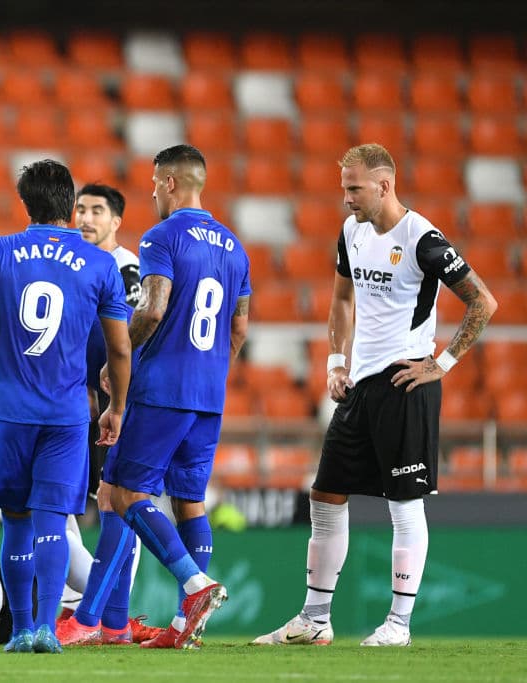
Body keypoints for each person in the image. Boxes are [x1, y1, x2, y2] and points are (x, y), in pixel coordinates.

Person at [253, 143, 497, 648]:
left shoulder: (422, 239)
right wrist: (336, 361)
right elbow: (342, 298)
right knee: (325, 496)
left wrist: (441, 363)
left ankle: (398, 626)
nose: (346, 198)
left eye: (354, 188)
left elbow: (483, 301)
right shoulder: (352, 232)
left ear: (385, 185)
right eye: (344, 187)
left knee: (404, 506)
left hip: (406, 384)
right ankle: (315, 619)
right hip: (359, 386)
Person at [0, 159, 132, 654]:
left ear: (26, 204)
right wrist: (116, 404)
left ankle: (18, 631)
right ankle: (46, 631)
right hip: (67, 414)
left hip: (9, 410)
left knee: (15, 520)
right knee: (52, 522)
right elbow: (120, 349)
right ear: (70, 207)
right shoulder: (101, 263)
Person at [97, 144, 250, 651]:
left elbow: (153, 308)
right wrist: (211, 369)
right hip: (210, 392)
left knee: (123, 493)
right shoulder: (235, 248)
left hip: (164, 387)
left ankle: (194, 585)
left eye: (153, 183)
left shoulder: (162, 237)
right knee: (189, 500)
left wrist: (117, 355)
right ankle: (186, 629)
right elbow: (240, 327)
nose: (152, 193)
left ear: (167, 182)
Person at [59, 183, 149, 645]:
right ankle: (101, 613)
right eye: (81, 210)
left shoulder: (126, 266)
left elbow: (132, 332)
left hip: (119, 404)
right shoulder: (77, 264)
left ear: (117, 221)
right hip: (81, 404)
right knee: (81, 503)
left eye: (97, 211)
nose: (86, 218)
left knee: (116, 500)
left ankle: (109, 614)